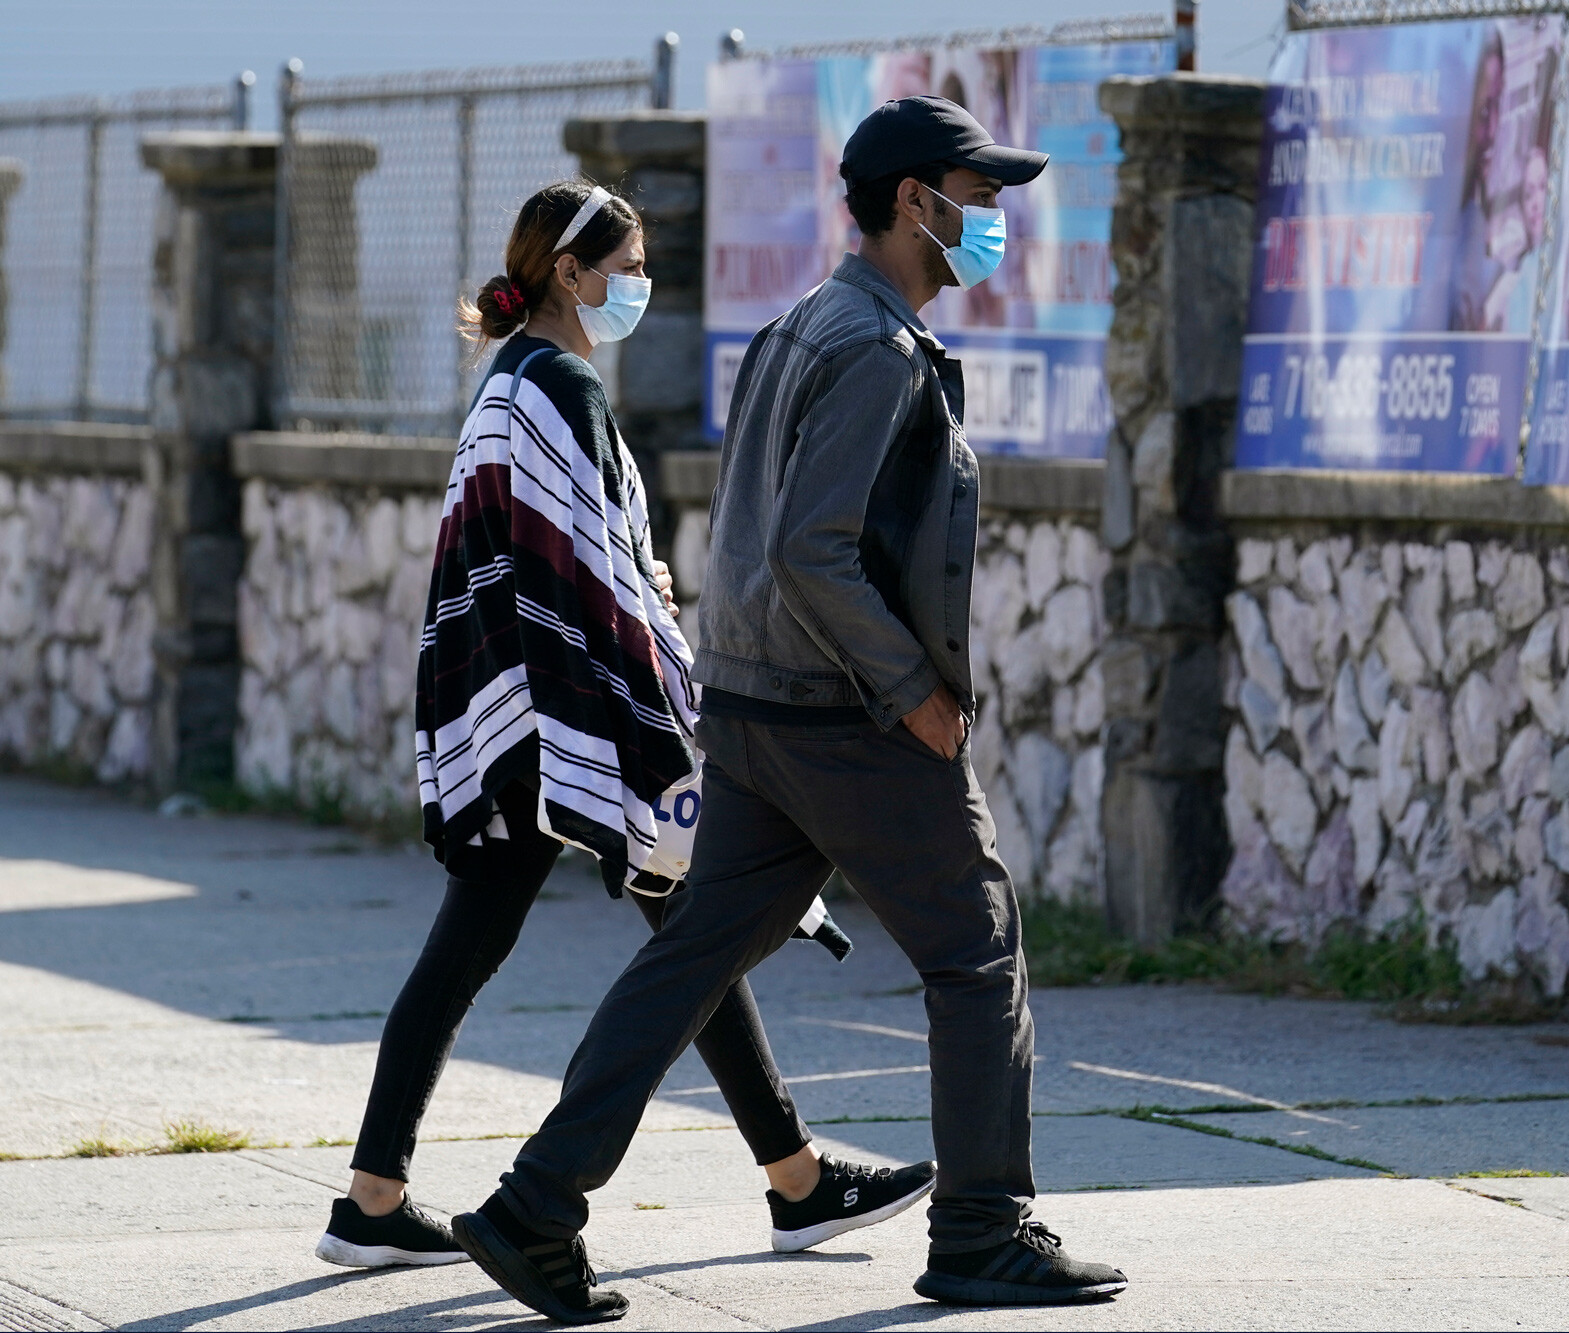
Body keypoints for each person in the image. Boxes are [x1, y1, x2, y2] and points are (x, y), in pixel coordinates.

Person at [449, 99, 1128, 1324]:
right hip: (839, 713)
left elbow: (765, 532)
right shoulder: (869, 346)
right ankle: (982, 1226)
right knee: (976, 954)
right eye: (974, 199)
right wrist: (910, 687)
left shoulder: (802, 324)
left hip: (757, 703)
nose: (989, 223)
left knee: (696, 955)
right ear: (912, 202)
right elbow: (817, 548)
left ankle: (533, 1206)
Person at [312, 180, 934, 1275]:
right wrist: (665, 691)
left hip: (515, 703)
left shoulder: (509, 377)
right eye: (628, 265)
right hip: (564, 714)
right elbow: (592, 573)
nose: (639, 286)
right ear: (569, 271)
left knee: (639, 935)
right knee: (663, 934)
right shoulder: (556, 383)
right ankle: (785, 1184)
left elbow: (553, 550)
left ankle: (788, 1181)